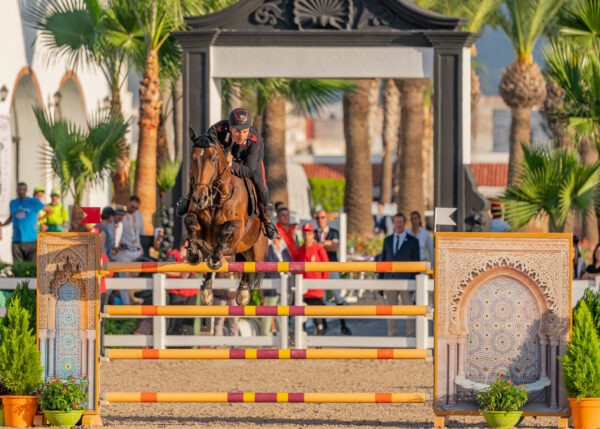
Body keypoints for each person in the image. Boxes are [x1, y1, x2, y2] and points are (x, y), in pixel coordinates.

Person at [177, 107, 278, 239]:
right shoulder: (217, 129)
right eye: (237, 131)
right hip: (225, 158)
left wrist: (231, 164)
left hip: (249, 162)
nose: (241, 136)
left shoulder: (255, 141)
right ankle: (189, 196)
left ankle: (266, 218)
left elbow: (247, 171)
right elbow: (210, 143)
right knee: (202, 166)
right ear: (230, 128)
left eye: (244, 132)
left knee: (260, 184)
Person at [381, 213, 420, 337]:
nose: (398, 224)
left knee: (409, 310)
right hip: (390, 280)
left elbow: (416, 262)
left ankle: (411, 336)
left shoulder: (413, 241)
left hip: (407, 280)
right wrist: (380, 282)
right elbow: (383, 261)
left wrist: (415, 283)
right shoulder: (387, 240)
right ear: (393, 223)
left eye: (401, 222)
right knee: (390, 311)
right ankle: (391, 336)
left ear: (404, 223)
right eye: (396, 222)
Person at [315, 209, 351, 335]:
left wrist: (320, 245)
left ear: (327, 218)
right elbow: (313, 247)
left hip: (332, 266)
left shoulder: (333, 232)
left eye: (323, 217)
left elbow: (334, 247)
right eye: (318, 218)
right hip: (319, 269)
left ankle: (343, 325)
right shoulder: (314, 233)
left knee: (337, 295)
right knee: (321, 297)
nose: (320, 220)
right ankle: (323, 326)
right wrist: (326, 244)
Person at [1, 183, 53, 262]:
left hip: (31, 241)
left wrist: (39, 219)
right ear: (16, 190)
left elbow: (49, 210)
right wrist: (3, 224)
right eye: (19, 189)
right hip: (16, 241)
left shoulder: (34, 202)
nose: (21, 191)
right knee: (17, 267)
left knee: (32, 267)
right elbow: (11, 218)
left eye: (23, 189)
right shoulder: (13, 203)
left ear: (26, 191)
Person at [294, 223, 329, 335]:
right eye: (304, 234)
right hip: (302, 292)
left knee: (318, 321)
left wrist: (320, 285)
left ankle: (319, 344)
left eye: (309, 234)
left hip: (316, 292)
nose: (306, 236)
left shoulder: (319, 250)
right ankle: (301, 345)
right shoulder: (298, 251)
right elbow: (294, 269)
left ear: (313, 235)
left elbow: (326, 269)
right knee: (300, 322)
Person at [114, 196, 144, 305]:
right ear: (127, 203)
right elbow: (114, 229)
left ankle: (141, 301)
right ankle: (126, 306)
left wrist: (142, 247)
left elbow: (141, 232)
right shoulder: (122, 215)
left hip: (137, 251)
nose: (134, 209)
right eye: (132, 206)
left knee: (143, 276)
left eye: (136, 208)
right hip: (124, 252)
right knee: (124, 279)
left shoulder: (139, 215)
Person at [263, 233, 292, 336]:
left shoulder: (284, 251)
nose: (276, 240)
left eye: (279, 237)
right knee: (268, 312)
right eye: (274, 237)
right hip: (271, 286)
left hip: (284, 286)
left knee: (282, 314)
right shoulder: (267, 249)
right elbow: (266, 267)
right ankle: (265, 336)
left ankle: (283, 336)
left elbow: (291, 266)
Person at [164, 240, 196, 336]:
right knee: (176, 320)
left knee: (189, 322)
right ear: (186, 244)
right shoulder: (173, 254)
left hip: (191, 292)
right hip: (177, 291)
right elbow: (164, 269)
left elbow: (203, 271)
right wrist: (180, 274)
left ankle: (188, 347)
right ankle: (172, 347)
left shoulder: (193, 257)